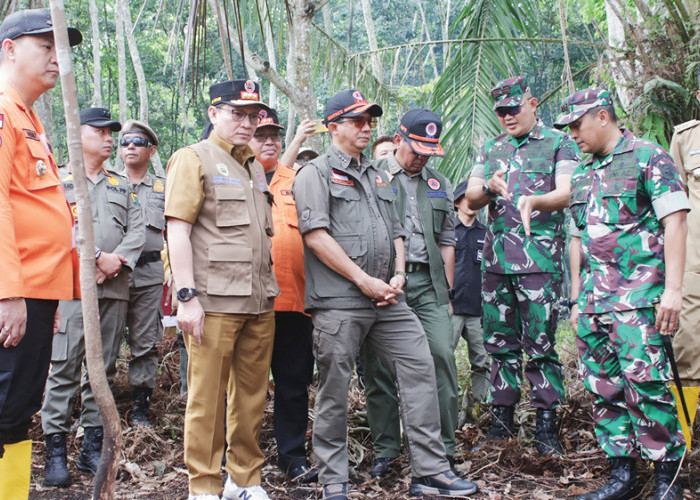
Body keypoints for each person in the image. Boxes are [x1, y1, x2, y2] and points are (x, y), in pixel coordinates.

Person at [293, 89, 478, 500]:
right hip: (342, 300)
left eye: (369, 120)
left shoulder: (377, 175)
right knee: (335, 387)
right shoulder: (316, 173)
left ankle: (430, 471)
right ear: (333, 126)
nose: (366, 127)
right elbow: (316, 237)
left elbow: (396, 229)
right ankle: (334, 479)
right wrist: (363, 280)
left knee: (421, 365)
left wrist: (396, 274)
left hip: (387, 298)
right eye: (357, 121)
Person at [557, 88, 689, 500]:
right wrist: (578, 299)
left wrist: (672, 290)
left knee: (647, 384)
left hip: (639, 299)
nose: (572, 134)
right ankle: (622, 476)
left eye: (577, 125)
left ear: (602, 116)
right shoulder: (582, 173)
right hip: (595, 303)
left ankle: (668, 477)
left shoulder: (649, 156)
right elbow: (579, 238)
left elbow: (677, 222)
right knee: (604, 388)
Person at [165, 79, 279, 500]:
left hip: (259, 300)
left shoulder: (254, 166)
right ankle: (204, 485)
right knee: (207, 399)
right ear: (214, 114)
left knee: (250, 398)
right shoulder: (193, 158)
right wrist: (187, 297)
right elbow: (177, 231)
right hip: (212, 302)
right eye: (237, 113)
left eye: (253, 115)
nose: (247, 123)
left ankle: (244, 480)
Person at [465, 76, 578, 455]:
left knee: (542, 345)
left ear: (531, 103)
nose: (507, 117)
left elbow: (567, 192)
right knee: (500, 344)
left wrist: (535, 201)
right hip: (496, 263)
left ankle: (546, 426)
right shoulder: (492, 147)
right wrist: (489, 188)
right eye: (501, 112)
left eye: (514, 109)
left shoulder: (558, 142)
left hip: (539, 264)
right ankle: (502, 422)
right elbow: (470, 196)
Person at [0, 9, 81, 499]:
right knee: (4, 404)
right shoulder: (2, 112)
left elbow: (41, 210)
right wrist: (8, 292)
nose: (57, 57)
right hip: (13, 291)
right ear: (9, 48)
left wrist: (48, 300)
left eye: (60, 48)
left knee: (18, 408)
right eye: (45, 46)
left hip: (35, 292)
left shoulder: (28, 119)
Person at [41, 108, 145, 486]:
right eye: (99, 131)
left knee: (102, 370)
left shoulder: (122, 184)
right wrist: (96, 258)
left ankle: (91, 447)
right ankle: (55, 450)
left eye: (110, 132)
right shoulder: (59, 179)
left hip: (114, 289)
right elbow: (58, 226)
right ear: (78, 133)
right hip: (70, 287)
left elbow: (138, 230)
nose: (108, 138)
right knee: (64, 365)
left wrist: (116, 262)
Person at [361, 108, 460, 478]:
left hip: (430, 284)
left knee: (441, 358)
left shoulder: (440, 183)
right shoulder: (374, 177)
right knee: (380, 368)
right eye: (416, 149)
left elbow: (447, 241)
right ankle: (386, 450)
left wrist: (446, 292)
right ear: (398, 140)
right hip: (385, 284)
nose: (421, 158)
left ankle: (443, 451)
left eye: (428, 152)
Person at [248, 109, 318, 482]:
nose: (269, 141)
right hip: (250, 304)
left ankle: (292, 456)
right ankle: (242, 458)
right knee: (247, 385)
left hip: (295, 303)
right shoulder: (237, 178)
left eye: (274, 134)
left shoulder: (302, 180)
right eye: (261, 135)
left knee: (293, 384)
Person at [119, 119, 165, 426]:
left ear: (151, 149)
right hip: (113, 274)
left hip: (149, 274)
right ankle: (95, 410)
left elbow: (177, 231)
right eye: (124, 142)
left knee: (146, 343)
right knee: (103, 341)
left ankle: (140, 408)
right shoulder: (107, 182)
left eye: (137, 141)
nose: (130, 147)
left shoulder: (165, 186)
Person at [668, 70, 700, 446]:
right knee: (687, 347)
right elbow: (673, 207)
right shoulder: (686, 136)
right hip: (693, 267)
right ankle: (684, 441)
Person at [451, 180, 489, 427]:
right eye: (466, 197)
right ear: (457, 202)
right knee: (443, 359)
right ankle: (447, 413)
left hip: (476, 310)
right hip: (451, 307)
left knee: (482, 360)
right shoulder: (446, 231)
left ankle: (477, 409)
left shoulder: (485, 233)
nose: (472, 202)